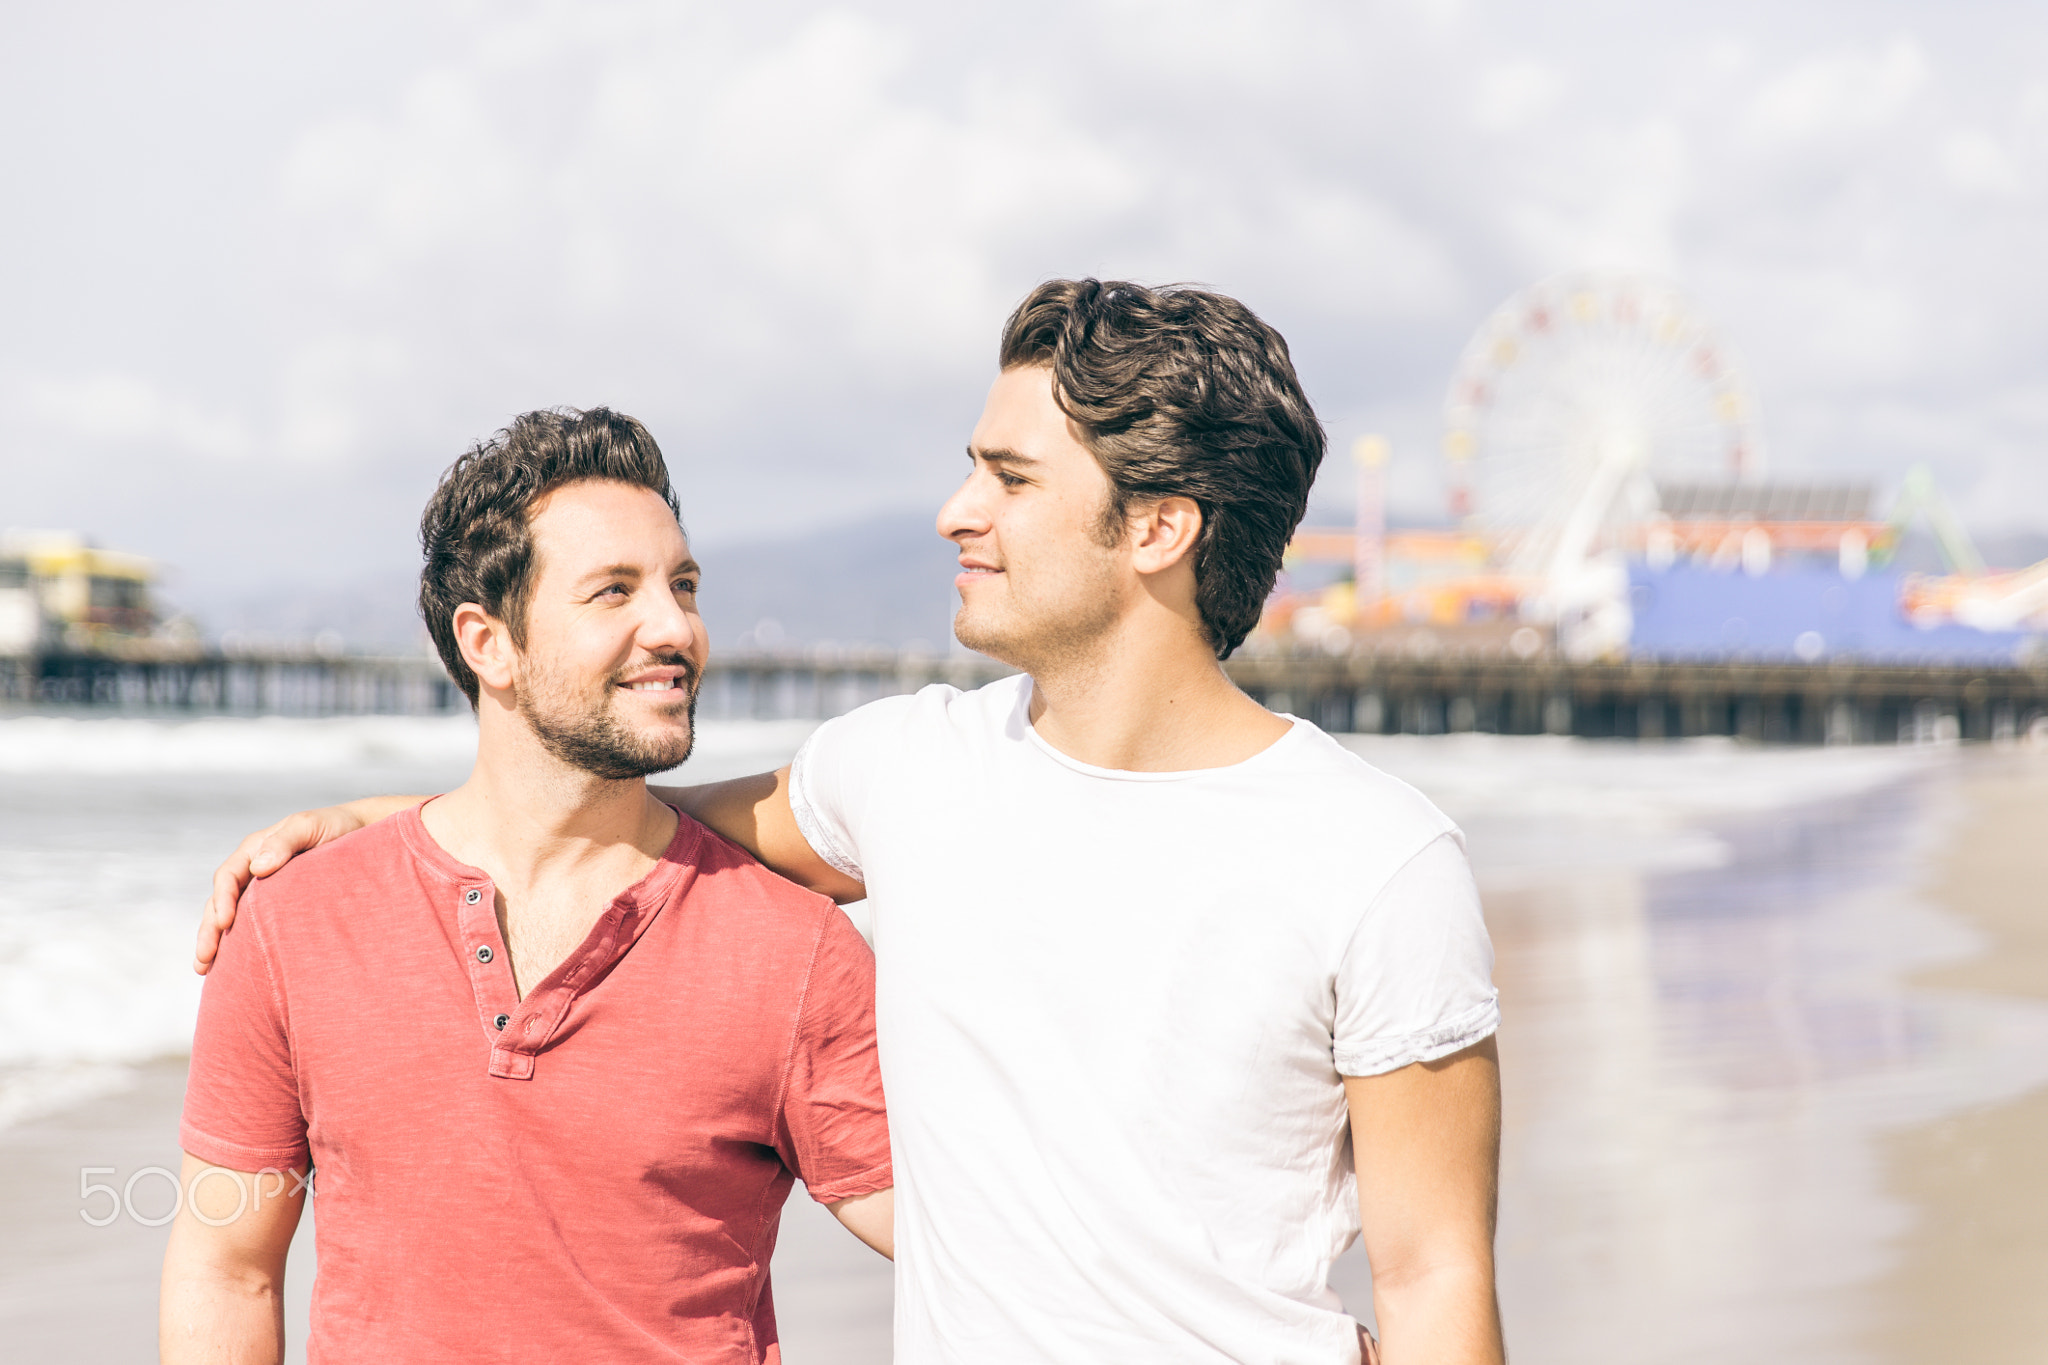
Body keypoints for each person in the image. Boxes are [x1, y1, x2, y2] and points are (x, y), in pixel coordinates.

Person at [199, 281, 1505, 1364]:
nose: (956, 511)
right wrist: (389, 830)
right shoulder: (906, 770)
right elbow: (627, 821)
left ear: (1157, 526)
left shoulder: (1374, 858)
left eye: (1008, 477)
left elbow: (1437, 1274)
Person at [162, 408, 894, 1365]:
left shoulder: (796, 951)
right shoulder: (294, 921)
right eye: (614, 591)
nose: (676, 626)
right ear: (488, 643)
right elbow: (228, 1267)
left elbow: (972, 1240)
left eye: (684, 586)